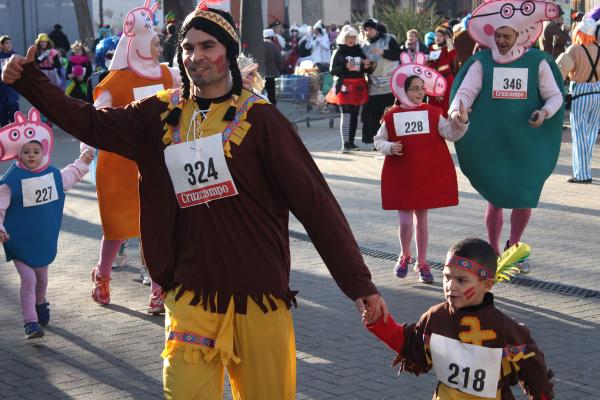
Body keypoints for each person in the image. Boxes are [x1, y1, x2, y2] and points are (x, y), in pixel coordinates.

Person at [3, 4, 388, 398]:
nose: (195, 56)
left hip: (259, 299)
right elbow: (90, 123)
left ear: (229, 52)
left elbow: (316, 205)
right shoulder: (157, 114)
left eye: (207, 46)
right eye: (187, 47)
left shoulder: (263, 122)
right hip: (189, 297)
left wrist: (357, 282)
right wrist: (31, 81)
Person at [449, 1, 564, 271]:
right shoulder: (482, 62)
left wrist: (545, 112)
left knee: (524, 195)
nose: (500, 41)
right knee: (495, 195)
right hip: (492, 140)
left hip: (527, 142)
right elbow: (465, 92)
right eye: (497, 35)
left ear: (519, 36)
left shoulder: (538, 62)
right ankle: (493, 250)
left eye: (506, 36)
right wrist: (457, 110)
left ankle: (515, 248)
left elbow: (555, 95)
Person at [364, 238, 554, 400]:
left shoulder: (505, 328)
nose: (450, 286)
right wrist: (379, 322)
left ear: (487, 285)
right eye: (447, 277)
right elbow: (409, 345)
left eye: (461, 280)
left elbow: (534, 373)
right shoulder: (436, 317)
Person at [87, 0, 180, 313]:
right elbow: (97, 115)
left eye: (158, 43)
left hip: (157, 163)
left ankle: (158, 289)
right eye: (154, 43)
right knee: (116, 228)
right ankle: (102, 275)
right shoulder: (116, 81)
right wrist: (88, 146)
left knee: (154, 226)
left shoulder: (167, 76)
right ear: (137, 43)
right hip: (119, 165)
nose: (158, 48)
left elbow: (190, 96)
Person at [375, 54, 468, 284]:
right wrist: (389, 147)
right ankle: (405, 254)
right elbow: (377, 141)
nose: (419, 93)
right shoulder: (391, 115)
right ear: (403, 90)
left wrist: (462, 121)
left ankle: (422, 262)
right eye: (415, 88)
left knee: (422, 220)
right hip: (401, 175)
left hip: (425, 176)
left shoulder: (432, 113)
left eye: (422, 89)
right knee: (406, 222)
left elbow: (451, 133)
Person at [0, 108, 93, 339]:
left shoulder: (52, 176)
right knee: (28, 279)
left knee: (41, 280)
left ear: (43, 152)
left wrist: (83, 161)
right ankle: (30, 322)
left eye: (35, 151)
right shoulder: (9, 182)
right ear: (18, 155)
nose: (31, 155)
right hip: (19, 241)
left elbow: (71, 175)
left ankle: (40, 303)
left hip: (42, 241)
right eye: (26, 152)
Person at [557, 14, 600, 183]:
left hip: (581, 93)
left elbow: (560, 69)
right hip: (597, 93)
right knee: (590, 134)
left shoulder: (574, 49)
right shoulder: (598, 48)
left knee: (579, 134)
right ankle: (585, 168)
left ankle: (582, 174)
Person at [327, 25, 369, 152]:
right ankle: (345, 143)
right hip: (344, 85)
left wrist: (366, 66)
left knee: (355, 114)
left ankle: (351, 142)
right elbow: (332, 70)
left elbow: (365, 68)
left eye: (352, 37)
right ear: (343, 38)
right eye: (348, 37)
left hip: (358, 85)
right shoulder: (338, 51)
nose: (350, 39)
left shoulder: (359, 51)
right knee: (346, 115)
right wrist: (345, 67)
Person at [361, 19, 401, 147]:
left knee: (389, 113)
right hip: (374, 85)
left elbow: (399, 55)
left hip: (390, 84)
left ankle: (392, 139)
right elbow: (363, 66)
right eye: (366, 29)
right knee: (374, 116)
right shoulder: (364, 46)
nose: (368, 32)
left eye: (370, 29)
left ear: (376, 29)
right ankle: (377, 142)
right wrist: (364, 65)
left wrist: (383, 52)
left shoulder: (389, 39)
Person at [428, 25, 457, 117]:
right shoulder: (430, 48)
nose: (438, 37)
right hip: (433, 81)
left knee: (446, 105)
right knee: (434, 105)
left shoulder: (447, 48)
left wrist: (449, 41)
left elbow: (453, 55)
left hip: (447, 79)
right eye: (436, 35)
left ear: (444, 37)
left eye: (440, 36)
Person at [0, 36, 19, 127]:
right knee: (2, 109)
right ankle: (4, 130)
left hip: (12, 85)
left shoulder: (15, 55)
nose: (9, 45)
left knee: (13, 105)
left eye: (10, 43)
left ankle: (15, 126)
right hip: (1, 86)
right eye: (7, 43)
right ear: (2, 45)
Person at [263, 28, 284, 104]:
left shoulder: (259, 47)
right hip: (273, 74)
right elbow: (280, 61)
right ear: (272, 37)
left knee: (262, 96)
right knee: (273, 96)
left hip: (261, 75)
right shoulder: (274, 47)